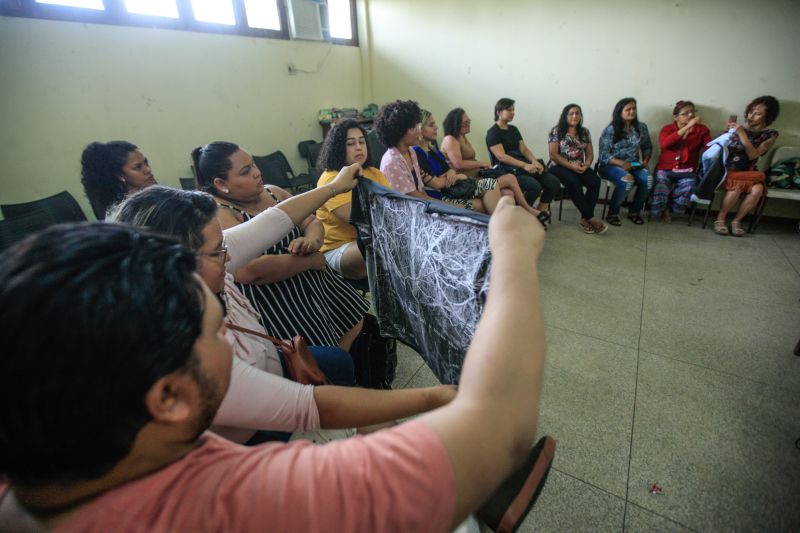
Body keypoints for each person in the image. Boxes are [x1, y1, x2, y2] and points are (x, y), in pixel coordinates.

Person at [0, 194, 552, 531]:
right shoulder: (228, 505)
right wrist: (511, 253)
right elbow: (499, 420)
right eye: (216, 328)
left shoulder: (71, 462)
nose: (231, 331)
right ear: (168, 398)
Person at [110, 182, 455, 445]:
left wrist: (335, 186)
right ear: (176, 265)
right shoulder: (193, 358)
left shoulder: (196, 272)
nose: (229, 257)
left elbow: (277, 219)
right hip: (254, 434)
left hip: (271, 368)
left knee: (338, 365)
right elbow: (309, 404)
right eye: (218, 251)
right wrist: (435, 396)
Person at [191, 141, 369, 350]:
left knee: (350, 328)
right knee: (314, 354)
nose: (257, 173)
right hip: (281, 302)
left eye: (254, 165)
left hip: (319, 287)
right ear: (221, 184)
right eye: (246, 171)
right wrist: (310, 260)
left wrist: (311, 241)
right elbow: (249, 270)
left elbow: (311, 221)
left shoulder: (273, 192)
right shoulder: (219, 214)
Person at [413, 109, 540, 216]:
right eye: (431, 125)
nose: (436, 127)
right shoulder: (417, 152)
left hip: (454, 187)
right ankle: (503, 228)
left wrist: (450, 173)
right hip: (441, 196)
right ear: (419, 129)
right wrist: (456, 175)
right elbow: (436, 183)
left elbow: (449, 169)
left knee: (503, 193)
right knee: (492, 190)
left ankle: (503, 227)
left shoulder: (432, 149)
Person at [316, 119, 392, 280]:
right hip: (339, 249)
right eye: (350, 143)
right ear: (338, 148)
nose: (358, 147)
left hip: (373, 239)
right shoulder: (331, 179)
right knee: (385, 245)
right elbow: (362, 219)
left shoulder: (374, 173)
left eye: (362, 141)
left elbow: (393, 207)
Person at [486, 98, 561, 226]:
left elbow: (524, 149)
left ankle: (537, 214)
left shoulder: (514, 129)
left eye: (513, 110)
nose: (512, 112)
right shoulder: (493, 132)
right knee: (534, 187)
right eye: (509, 110)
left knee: (553, 182)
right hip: (508, 170)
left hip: (523, 166)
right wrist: (525, 165)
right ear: (499, 112)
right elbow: (502, 157)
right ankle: (519, 217)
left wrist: (534, 161)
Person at [714, 95, 780, 237]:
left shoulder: (770, 134)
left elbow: (753, 155)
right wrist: (728, 134)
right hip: (729, 170)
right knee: (737, 186)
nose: (752, 116)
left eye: (758, 113)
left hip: (748, 171)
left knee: (758, 189)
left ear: (768, 116)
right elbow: (718, 150)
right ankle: (720, 219)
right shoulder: (736, 129)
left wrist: (742, 134)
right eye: (751, 111)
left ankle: (737, 221)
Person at [547, 104, 607, 234]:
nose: (575, 116)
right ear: (565, 116)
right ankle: (590, 217)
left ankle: (584, 219)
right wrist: (571, 166)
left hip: (579, 165)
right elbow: (553, 155)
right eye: (571, 113)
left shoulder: (584, 132)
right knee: (574, 182)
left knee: (595, 182)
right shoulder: (556, 131)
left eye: (577, 113)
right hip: (558, 166)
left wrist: (586, 164)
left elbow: (590, 153)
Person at [597, 97, 653, 226]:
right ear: (620, 112)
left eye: (634, 109)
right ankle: (612, 213)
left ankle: (634, 212)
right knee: (627, 180)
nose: (632, 112)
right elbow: (604, 155)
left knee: (648, 179)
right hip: (610, 166)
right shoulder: (611, 129)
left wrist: (645, 160)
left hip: (634, 164)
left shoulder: (641, 127)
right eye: (628, 109)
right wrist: (622, 164)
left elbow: (647, 146)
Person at [653, 100, 711, 223]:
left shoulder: (702, 130)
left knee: (689, 186)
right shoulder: (668, 129)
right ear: (676, 117)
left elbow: (710, 149)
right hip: (666, 168)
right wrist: (688, 127)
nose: (691, 115)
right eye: (685, 113)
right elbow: (664, 144)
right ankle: (663, 210)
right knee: (661, 185)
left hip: (688, 169)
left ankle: (672, 208)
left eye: (692, 112)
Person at [80, 140, 157, 219]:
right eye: (137, 167)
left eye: (146, 163)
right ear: (120, 175)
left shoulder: (149, 195)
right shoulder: (126, 213)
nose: (148, 169)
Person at [440, 107, 493, 178]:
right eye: (466, 122)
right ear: (456, 124)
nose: (469, 124)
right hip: (466, 182)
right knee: (508, 179)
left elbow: (471, 160)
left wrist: (484, 166)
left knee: (506, 186)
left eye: (469, 122)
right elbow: (458, 164)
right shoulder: (450, 139)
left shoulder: (462, 137)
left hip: (477, 175)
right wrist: (481, 164)